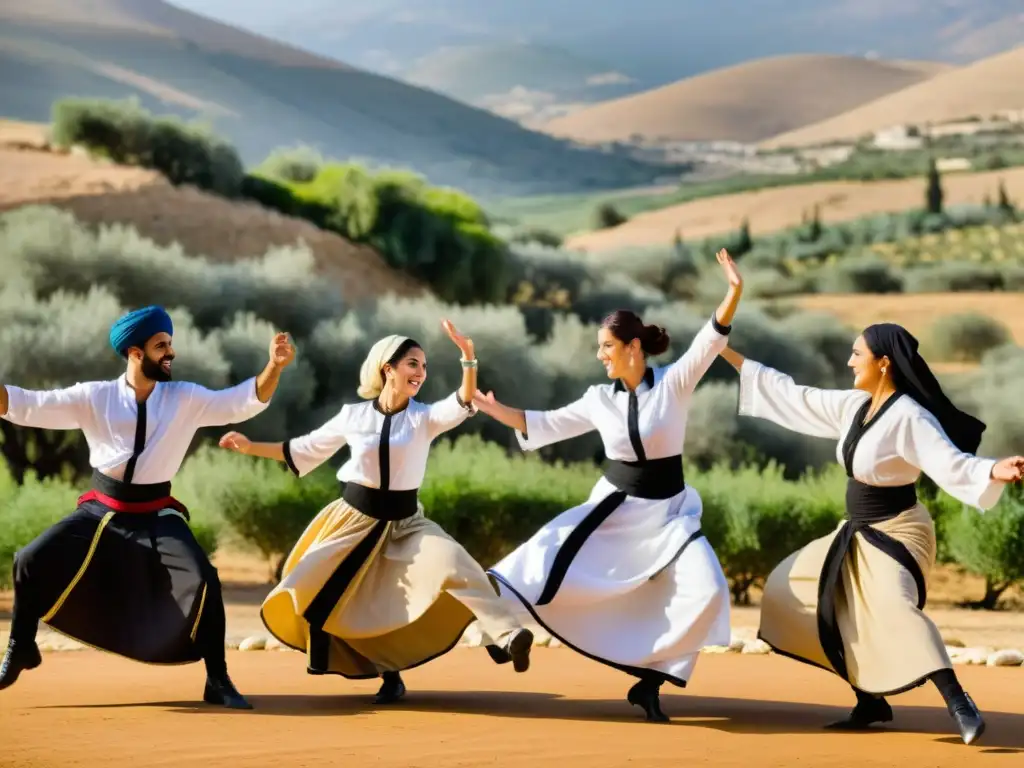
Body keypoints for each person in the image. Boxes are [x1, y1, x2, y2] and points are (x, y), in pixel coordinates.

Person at [719, 323, 1024, 746]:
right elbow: (794, 395)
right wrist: (726, 352)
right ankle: (870, 700)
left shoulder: (910, 417)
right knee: (796, 593)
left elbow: (950, 463)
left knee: (894, 608)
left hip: (898, 531)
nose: (849, 361)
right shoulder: (854, 406)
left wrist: (993, 469)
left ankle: (960, 703)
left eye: (856, 354)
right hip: (856, 530)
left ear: (883, 363)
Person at [472, 249, 741, 722]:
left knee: (710, 589)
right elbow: (544, 423)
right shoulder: (598, 399)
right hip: (616, 511)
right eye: (599, 348)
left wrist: (733, 292)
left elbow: (709, 340)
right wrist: (491, 407)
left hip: (671, 514)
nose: (600, 356)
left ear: (633, 347)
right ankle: (502, 628)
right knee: (547, 557)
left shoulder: (674, 384)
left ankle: (650, 682)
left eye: (606, 347)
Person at [217, 320, 534, 704]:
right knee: (332, 598)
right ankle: (389, 675)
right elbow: (304, 449)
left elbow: (463, 402)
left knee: (454, 561)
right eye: (413, 364)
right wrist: (250, 446)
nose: (421, 373)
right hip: (353, 521)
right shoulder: (353, 416)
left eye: (424, 366)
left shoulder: (425, 417)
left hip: (407, 524)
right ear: (388, 369)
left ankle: (507, 636)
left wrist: (468, 359)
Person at [0, 305, 295, 710]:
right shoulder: (95, 396)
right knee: (29, 560)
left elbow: (242, 402)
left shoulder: (185, 397)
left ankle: (218, 678)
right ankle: (20, 647)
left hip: (157, 512)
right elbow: (26, 404)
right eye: (161, 345)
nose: (170, 352)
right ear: (135, 353)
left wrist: (274, 367)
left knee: (205, 578)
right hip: (100, 511)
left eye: (170, 343)